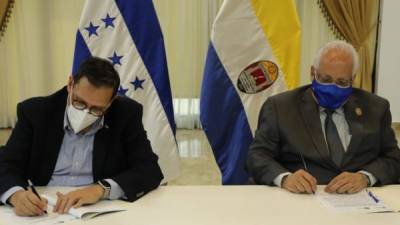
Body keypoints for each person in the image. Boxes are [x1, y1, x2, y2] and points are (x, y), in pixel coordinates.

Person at [0, 57, 163, 216]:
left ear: (111, 102)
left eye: (97, 109)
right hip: (43, 210)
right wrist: (16, 195)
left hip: (100, 210)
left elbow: (149, 169)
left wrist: (100, 189)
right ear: (70, 85)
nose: (86, 113)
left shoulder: (126, 114)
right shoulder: (35, 112)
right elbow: (6, 165)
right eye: (80, 103)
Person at [247, 40, 400, 194]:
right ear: (312, 72)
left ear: (353, 79)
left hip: (359, 203)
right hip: (301, 200)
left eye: (342, 82)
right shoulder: (280, 107)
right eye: (326, 80)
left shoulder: (376, 108)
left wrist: (365, 177)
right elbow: (257, 156)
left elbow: (393, 158)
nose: (333, 88)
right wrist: (286, 178)